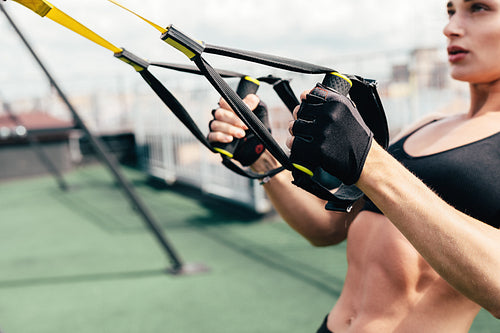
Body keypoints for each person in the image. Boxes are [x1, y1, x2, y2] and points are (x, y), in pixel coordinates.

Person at [208, 0, 500, 331]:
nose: (451, 27)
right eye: (450, 11)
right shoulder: (426, 124)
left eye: (478, 8)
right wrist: (263, 159)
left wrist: (369, 161)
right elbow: (328, 228)